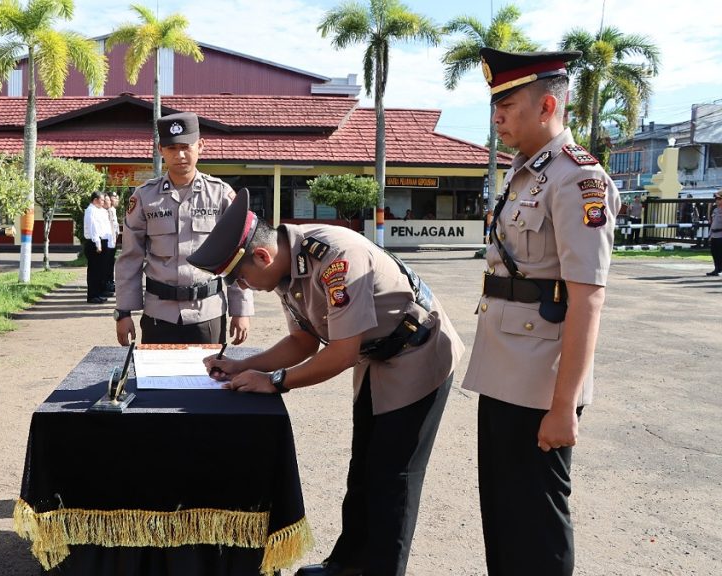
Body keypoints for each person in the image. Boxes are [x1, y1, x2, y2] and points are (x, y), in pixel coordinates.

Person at [188, 189, 464, 576]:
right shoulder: (285, 269)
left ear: (262, 256)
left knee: (393, 478)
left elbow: (340, 353)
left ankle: (381, 570)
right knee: (363, 468)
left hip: (419, 351)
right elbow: (303, 340)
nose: (244, 287)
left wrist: (276, 381)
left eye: (241, 278)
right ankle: (347, 565)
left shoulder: (333, 258)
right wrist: (241, 366)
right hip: (380, 355)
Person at [463, 48, 621, 576]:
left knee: (538, 521)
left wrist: (564, 405)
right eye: (495, 107)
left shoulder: (578, 180)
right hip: (503, 371)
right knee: (503, 517)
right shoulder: (524, 172)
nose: (497, 117)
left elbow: (588, 297)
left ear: (548, 104)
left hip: (541, 385)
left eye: (507, 105)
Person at [113, 111, 253, 345]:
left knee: (209, 380)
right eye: (171, 148)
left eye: (186, 146)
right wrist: (124, 312)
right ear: (160, 150)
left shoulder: (221, 195)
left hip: (208, 313)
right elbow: (130, 257)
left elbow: (238, 256)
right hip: (159, 315)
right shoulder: (145, 197)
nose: (179, 155)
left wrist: (241, 310)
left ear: (200, 145)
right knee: (156, 381)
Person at [83, 192, 111, 304]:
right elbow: (93, 228)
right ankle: (92, 295)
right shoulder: (91, 211)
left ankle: (98, 293)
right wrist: (98, 244)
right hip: (95, 242)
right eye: (102, 200)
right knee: (94, 271)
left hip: (102, 241)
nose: (103, 202)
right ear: (95, 200)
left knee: (100, 271)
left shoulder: (100, 211)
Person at [103, 191, 120, 296]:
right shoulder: (107, 211)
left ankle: (110, 282)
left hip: (113, 241)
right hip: (109, 242)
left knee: (110, 264)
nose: (116, 199)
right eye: (114, 197)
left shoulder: (113, 210)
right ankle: (107, 284)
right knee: (106, 265)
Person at [707, 191, 722, 276]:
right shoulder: (715, 209)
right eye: (716, 199)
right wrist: (710, 235)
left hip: (721, 234)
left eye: (719, 199)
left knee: (720, 253)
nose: (717, 201)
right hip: (714, 234)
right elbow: (712, 223)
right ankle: (717, 269)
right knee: (714, 252)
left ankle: (720, 270)